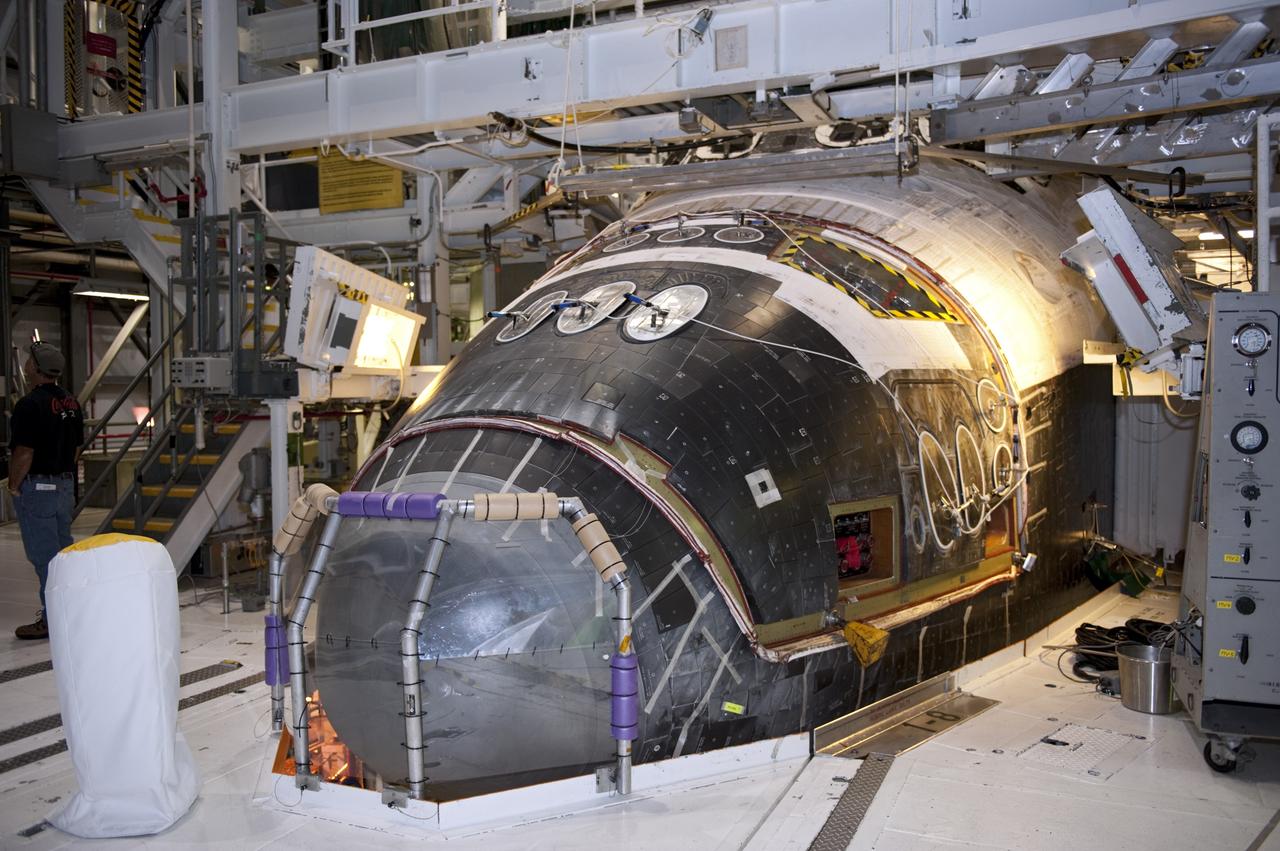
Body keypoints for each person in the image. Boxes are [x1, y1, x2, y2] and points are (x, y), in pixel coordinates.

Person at [7, 341, 84, 640]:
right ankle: (70, 613)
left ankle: (53, 620)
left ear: (35, 368)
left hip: (39, 488)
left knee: (45, 559)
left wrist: (14, 486)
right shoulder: (71, 402)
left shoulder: (29, 404)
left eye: (28, 361)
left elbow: (24, 452)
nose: (25, 365)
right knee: (63, 555)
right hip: (64, 486)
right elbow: (76, 447)